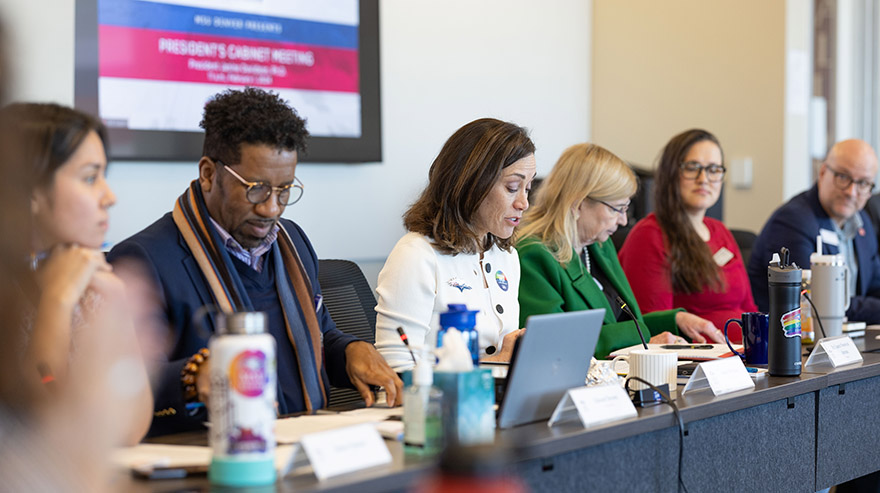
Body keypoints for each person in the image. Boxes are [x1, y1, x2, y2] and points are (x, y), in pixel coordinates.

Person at [108, 88, 402, 436]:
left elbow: (320, 338)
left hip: (307, 449)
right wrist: (194, 375)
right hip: (209, 458)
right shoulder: (142, 261)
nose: (271, 208)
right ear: (208, 174)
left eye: (285, 190)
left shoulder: (293, 243)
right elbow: (121, 388)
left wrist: (350, 350)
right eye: (256, 189)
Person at [0, 101, 154, 489]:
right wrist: (56, 302)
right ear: (31, 192)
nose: (109, 196)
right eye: (90, 178)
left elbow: (131, 426)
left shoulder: (84, 270)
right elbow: (45, 411)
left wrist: (117, 309)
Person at [516, 143, 724, 360]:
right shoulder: (534, 255)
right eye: (616, 209)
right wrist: (641, 337)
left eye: (626, 209)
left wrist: (676, 320)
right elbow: (554, 344)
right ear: (577, 204)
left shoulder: (599, 246)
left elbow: (622, 324)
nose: (624, 220)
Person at [374, 118, 536, 371]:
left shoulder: (506, 256)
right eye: (512, 187)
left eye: (528, 188)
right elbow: (396, 369)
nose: (523, 203)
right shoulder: (416, 255)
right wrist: (498, 362)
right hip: (439, 407)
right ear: (472, 184)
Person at [618, 129, 757, 343]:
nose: (704, 179)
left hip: (744, 359)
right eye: (692, 168)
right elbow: (654, 326)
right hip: (693, 365)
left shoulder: (721, 232)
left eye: (713, 169)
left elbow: (749, 309)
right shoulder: (650, 236)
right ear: (671, 173)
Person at [748, 139, 880, 323]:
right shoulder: (794, 220)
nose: (851, 192)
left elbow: (875, 286)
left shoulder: (862, 222)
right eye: (843, 177)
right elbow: (816, 301)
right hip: (792, 340)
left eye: (863, 183)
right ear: (823, 172)